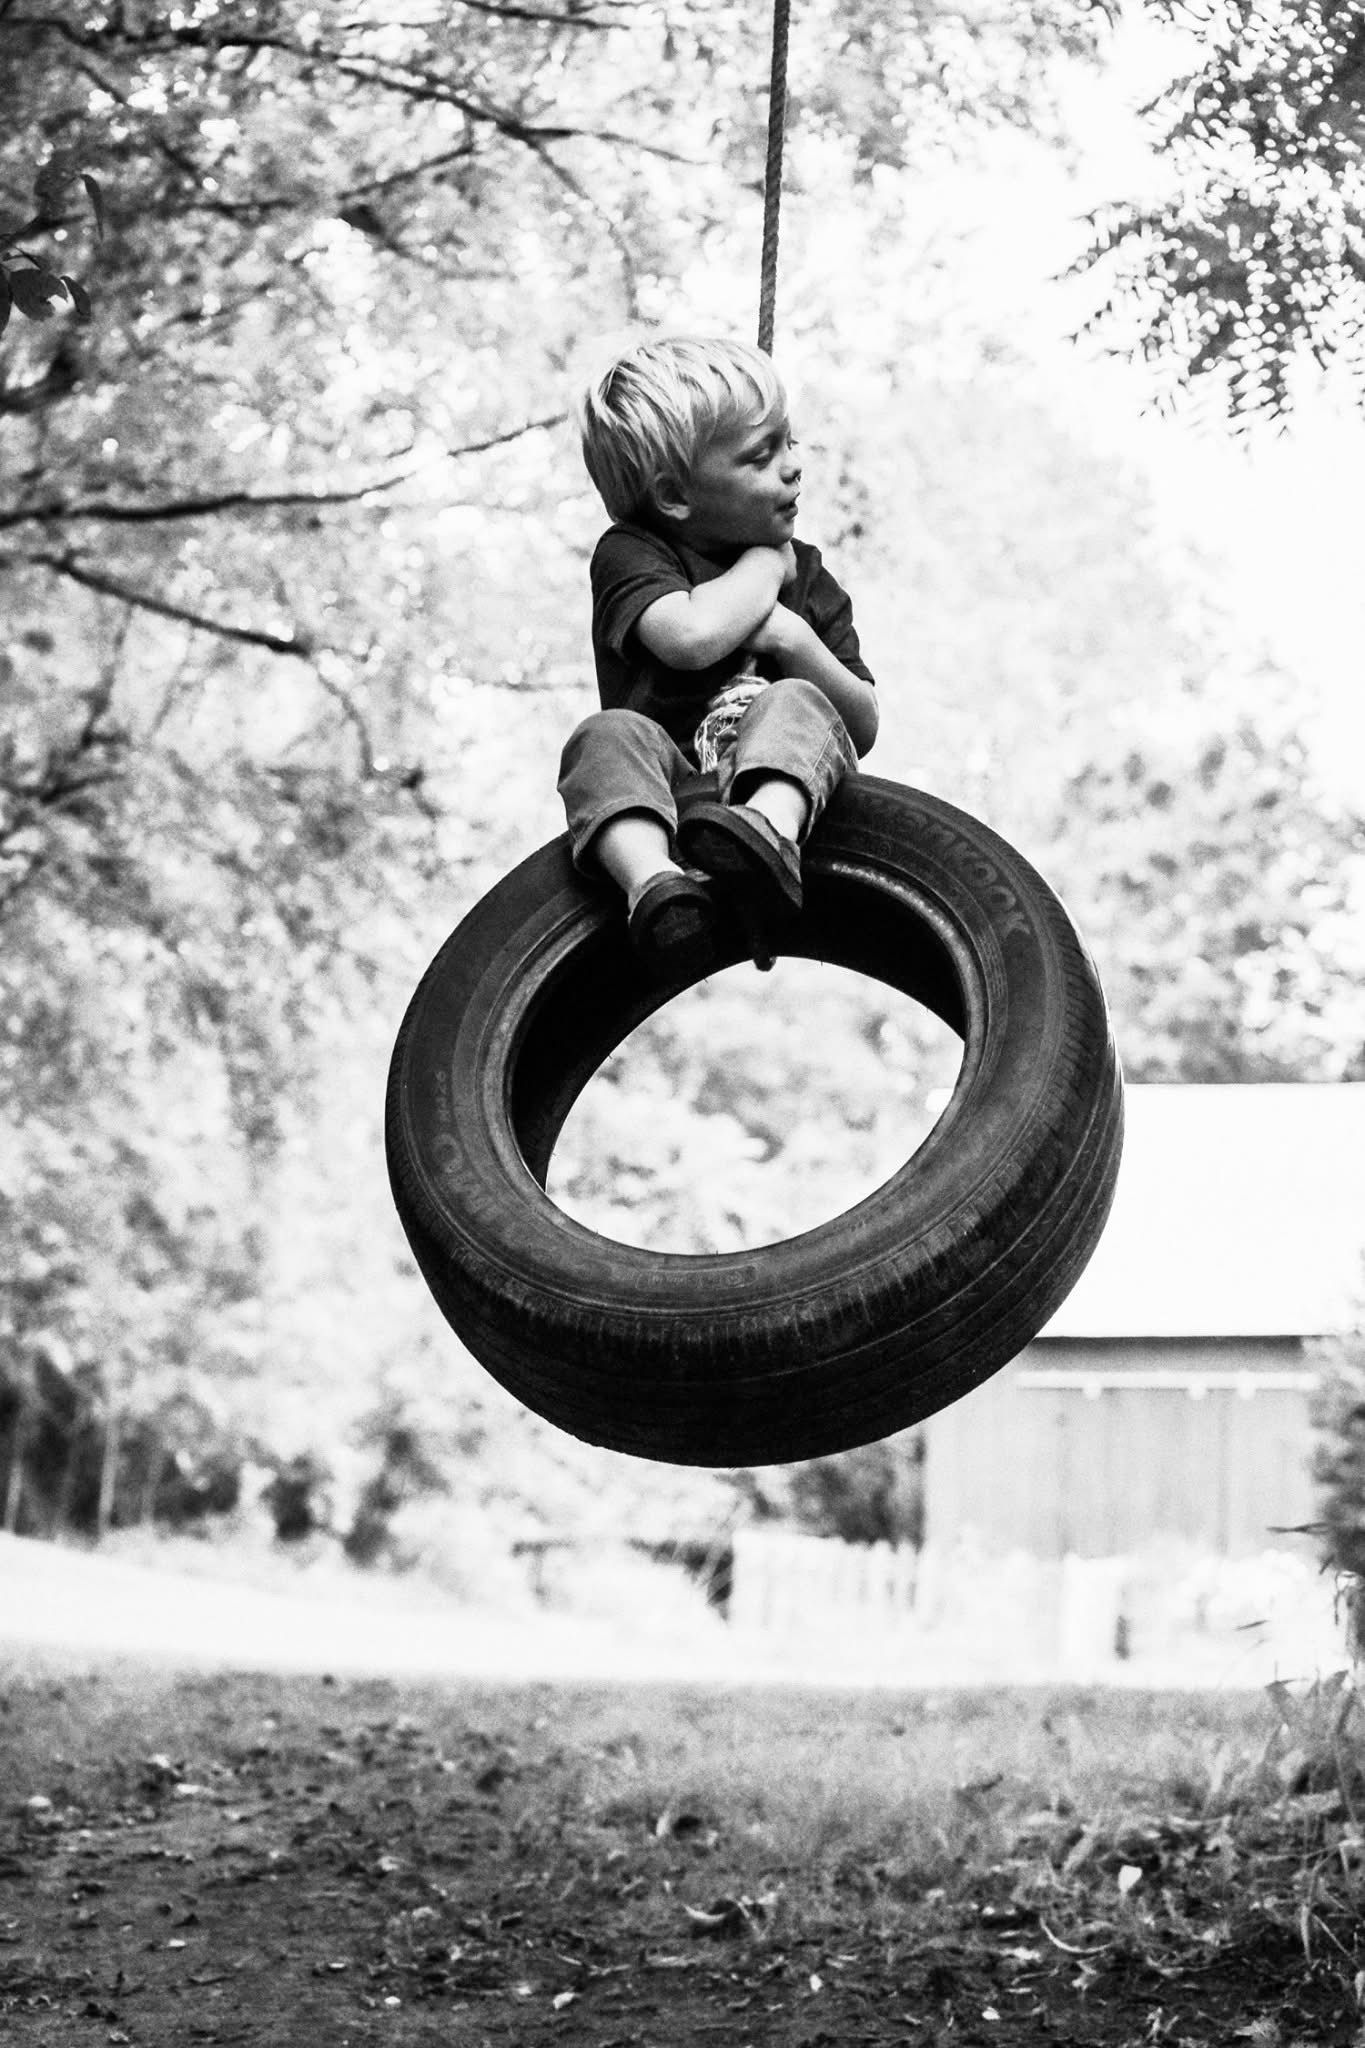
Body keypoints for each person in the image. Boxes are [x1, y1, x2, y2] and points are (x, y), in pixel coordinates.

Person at [558, 334, 878, 980]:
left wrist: (791, 639)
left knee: (794, 702)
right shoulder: (633, 554)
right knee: (603, 737)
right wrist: (763, 565)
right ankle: (653, 885)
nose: (793, 465)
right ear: (675, 496)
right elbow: (689, 636)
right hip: (670, 787)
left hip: (776, 791)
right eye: (761, 456)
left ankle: (767, 835)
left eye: (788, 441)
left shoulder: (809, 579)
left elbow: (862, 723)